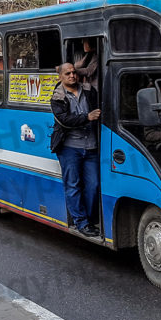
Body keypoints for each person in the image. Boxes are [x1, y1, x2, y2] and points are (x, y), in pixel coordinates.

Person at [50, 63, 101, 237]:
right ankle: (81, 222)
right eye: (67, 73)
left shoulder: (88, 90)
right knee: (73, 186)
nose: (72, 76)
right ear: (61, 77)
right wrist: (87, 117)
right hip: (70, 148)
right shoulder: (57, 97)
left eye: (74, 72)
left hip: (91, 146)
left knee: (93, 185)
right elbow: (64, 120)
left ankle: (90, 218)